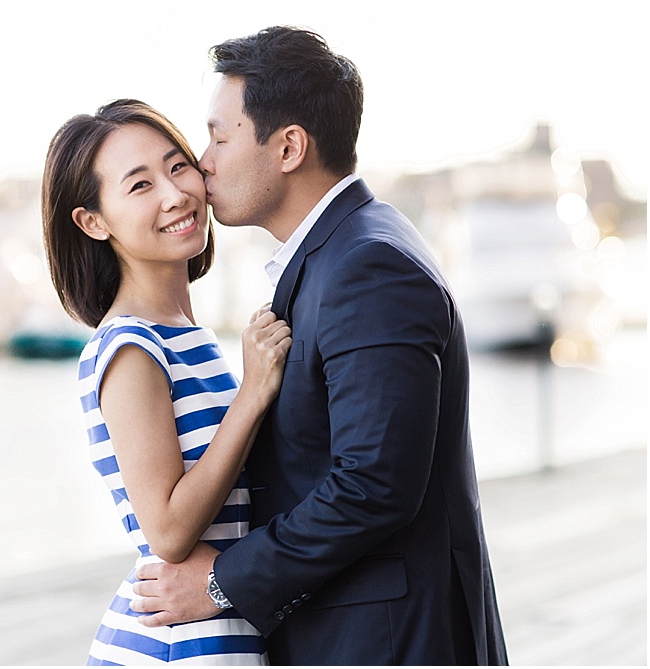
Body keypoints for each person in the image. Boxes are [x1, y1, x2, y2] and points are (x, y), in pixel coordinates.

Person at [130, 26, 509, 666]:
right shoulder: (349, 247)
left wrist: (222, 581)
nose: (203, 161)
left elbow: (374, 484)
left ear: (289, 148)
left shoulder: (368, 267)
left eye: (220, 137)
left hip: (387, 644)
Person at [41, 99, 292, 665]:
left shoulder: (182, 333)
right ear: (93, 221)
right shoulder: (130, 348)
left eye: (177, 167)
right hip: (175, 646)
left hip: (216, 628)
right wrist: (253, 394)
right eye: (139, 185)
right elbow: (169, 531)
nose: (175, 194)